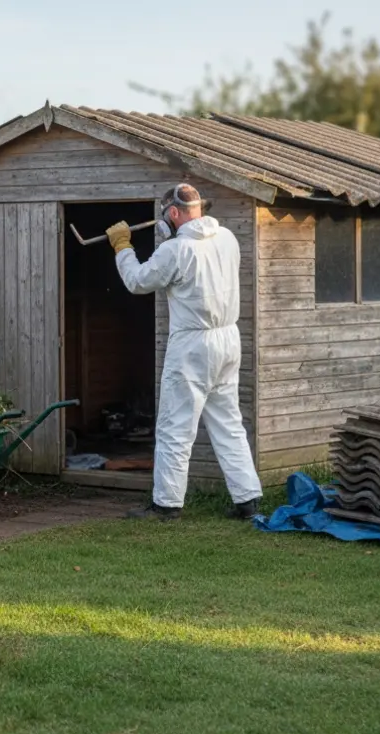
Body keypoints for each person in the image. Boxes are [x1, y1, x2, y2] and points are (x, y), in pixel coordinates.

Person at [104, 183, 263, 521]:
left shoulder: (175, 250)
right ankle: (248, 500)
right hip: (228, 338)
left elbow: (137, 281)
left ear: (174, 213)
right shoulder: (227, 239)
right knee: (228, 422)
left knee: (175, 427)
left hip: (193, 344)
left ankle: (166, 504)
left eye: (166, 215)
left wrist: (122, 247)